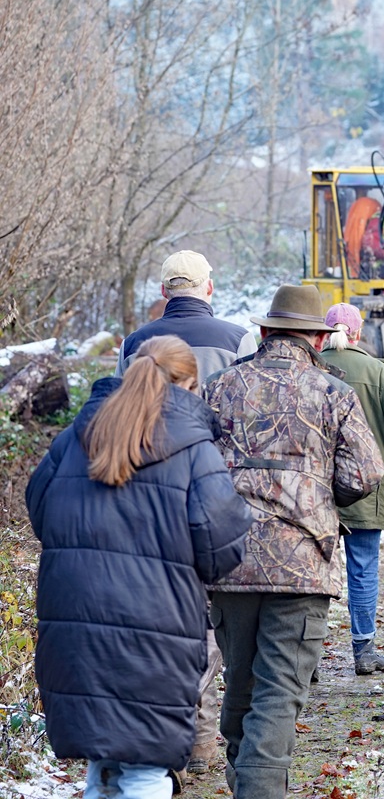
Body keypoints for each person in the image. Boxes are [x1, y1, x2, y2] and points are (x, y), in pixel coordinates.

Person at [27, 335, 251, 799]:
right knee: (147, 771)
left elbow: (40, 511)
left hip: (74, 627)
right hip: (155, 633)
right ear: (189, 384)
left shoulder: (74, 437)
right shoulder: (193, 448)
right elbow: (221, 549)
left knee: (104, 770)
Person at [203, 285, 384, 799]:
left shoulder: (218, 388)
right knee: (279, 693)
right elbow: (367, 473)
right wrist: (319, 493)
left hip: (230, 557)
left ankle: (247, 783)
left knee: (238, 685)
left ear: (263, 332)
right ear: (318, 338)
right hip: (302, 563)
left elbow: (193, 467)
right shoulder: (333, 391)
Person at [117, 249, 257, 776]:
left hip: (148, 496)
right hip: (217, 492)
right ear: (210, 288)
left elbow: (119, 417)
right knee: (209, 621)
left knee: (161, 619)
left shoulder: (136, 344)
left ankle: (175, 736)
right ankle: (201, 739)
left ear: (163, 292)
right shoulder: (239, 338)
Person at [319, 303, 384, 674]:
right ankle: (363, 651)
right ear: (358, 334)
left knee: (315, 571)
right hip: (365, 487)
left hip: (315, 490)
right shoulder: (377, 372)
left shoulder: (310, 366)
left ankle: (308, 657)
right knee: (363, 568)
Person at [116, 250, 257, 378]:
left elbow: (119, 403)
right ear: (209, 287)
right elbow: (253, 400)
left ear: (163, 291)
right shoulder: (239, 341)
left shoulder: (130, 345)